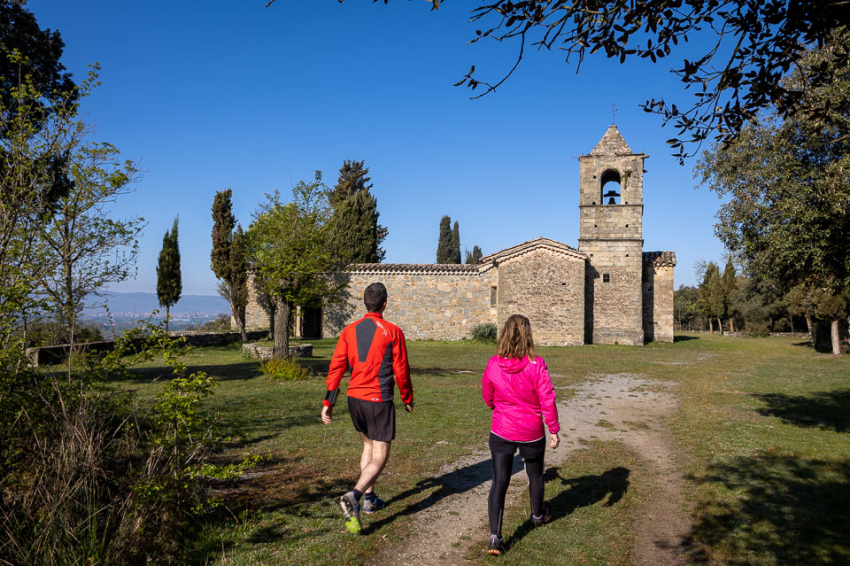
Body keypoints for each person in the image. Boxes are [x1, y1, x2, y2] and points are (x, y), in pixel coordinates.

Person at [321, 282, 413, 534]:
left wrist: (329, 401)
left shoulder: (349, 331)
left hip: (354, 399)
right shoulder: (393, 331)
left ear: (364, 303)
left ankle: (370, 501)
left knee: (367, 446)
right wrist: (407, 397)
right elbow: (401, 370)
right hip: (378, 399)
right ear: (384, 304)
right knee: (380, 454)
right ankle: (355, 495)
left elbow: (336, 366)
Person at [482, 314, 560, 556]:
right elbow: (547, 397)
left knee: (499, 481)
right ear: (528, 335)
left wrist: (496, 406)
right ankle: (537, 515)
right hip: (530, 430)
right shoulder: (537, 364)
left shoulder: (494, 364)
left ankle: (495, 536)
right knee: (535, 475)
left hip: (502, 429)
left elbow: (487, 393)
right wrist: (553, 428)